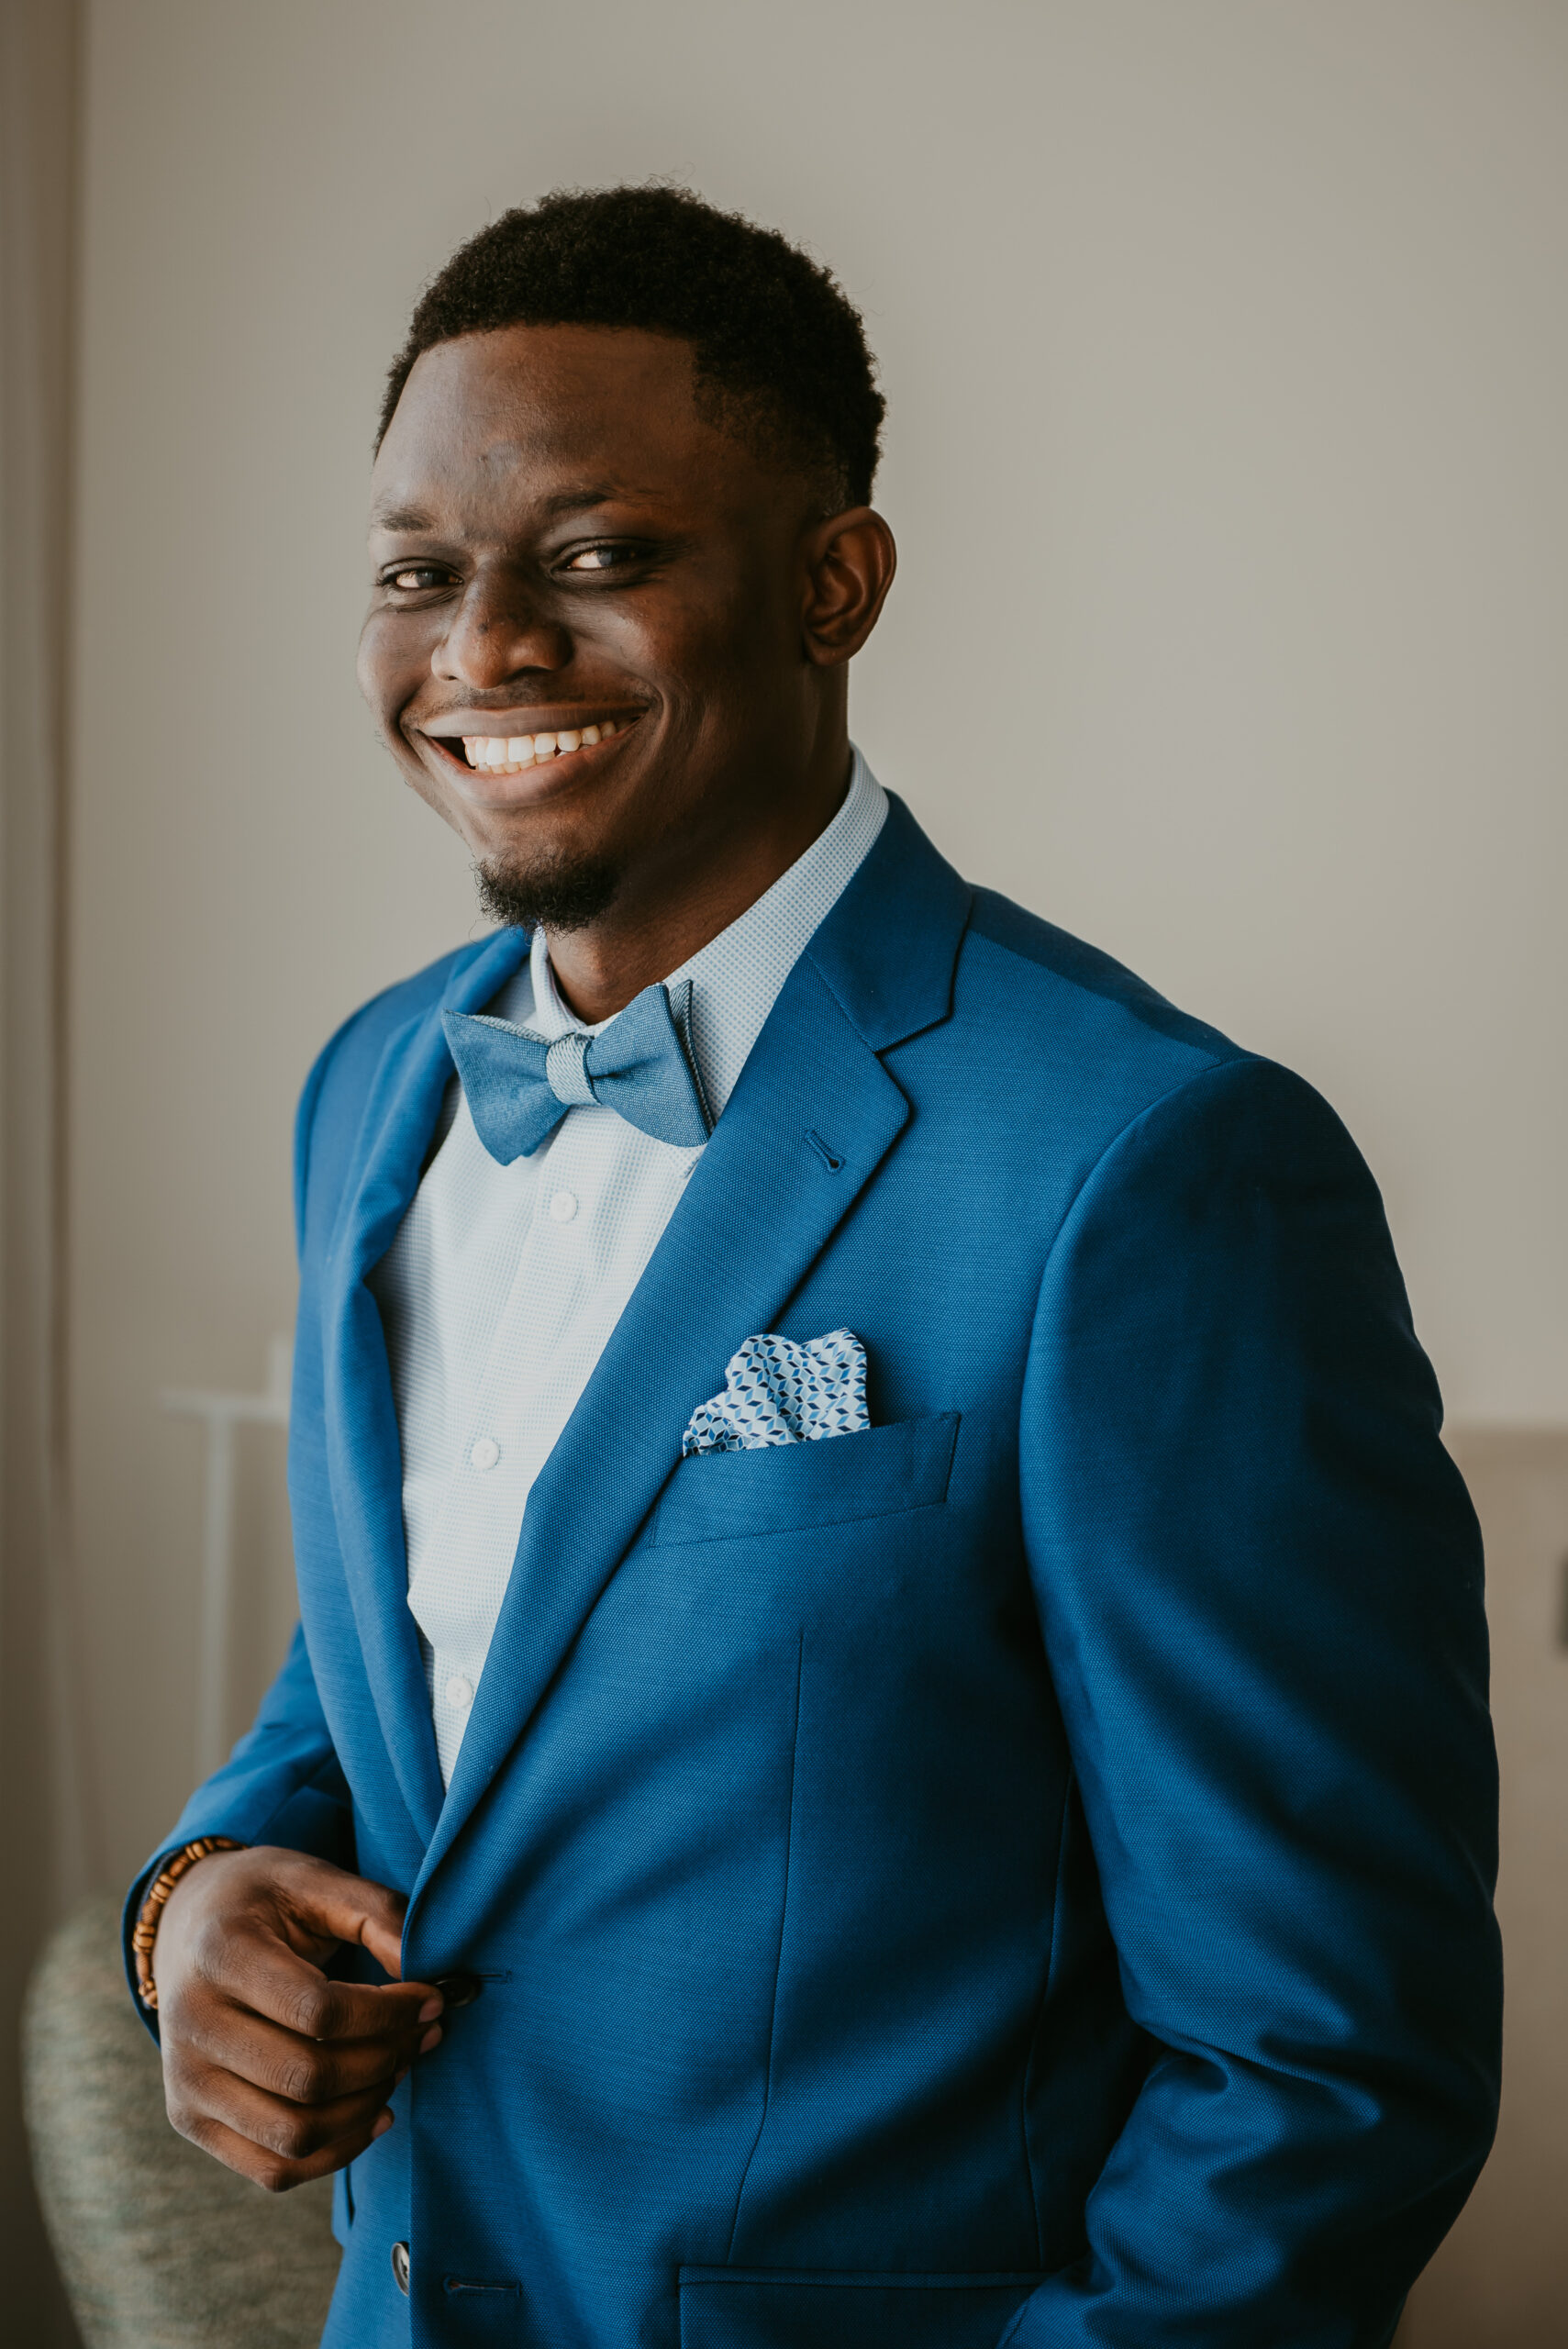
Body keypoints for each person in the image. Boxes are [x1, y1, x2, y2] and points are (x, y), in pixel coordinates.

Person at [124, 185, 1501, 2349]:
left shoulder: (1151, 1166)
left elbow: (1326, 2067)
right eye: (417, 572)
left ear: (831, 584)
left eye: (594, 556)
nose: (478, 648)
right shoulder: (368, 1088)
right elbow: (406, 1650)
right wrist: (200, 1894)